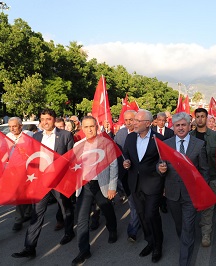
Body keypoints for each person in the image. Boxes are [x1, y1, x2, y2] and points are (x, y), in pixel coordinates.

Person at [12, 109, 75, 259]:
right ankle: (29, 247)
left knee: (65, 208)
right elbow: (32, 157)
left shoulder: (65, 135)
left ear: (54, 119)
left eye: (48, 118)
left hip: (59, 181)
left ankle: (69, 232)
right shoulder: (36, 136)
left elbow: (71, 158)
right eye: (42, 119)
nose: (45, 122)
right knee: (37, 213)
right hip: (41, 182)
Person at [158, 112, 209, 266]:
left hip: (191, 194)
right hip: (172, 194)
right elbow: (159, 164)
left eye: (183, 125)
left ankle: (184, 261)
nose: (180, 128)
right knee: (180, 226)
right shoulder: (166, 144)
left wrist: (202, 191)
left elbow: (204, 170)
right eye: (177, 125)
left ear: (189, 126)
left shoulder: (199, 145)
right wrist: (160, 169)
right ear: (173, 127)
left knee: (187, 227)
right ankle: (185, 241)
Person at [71, 116, 118, 266]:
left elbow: (113, 165)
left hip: (101, 183)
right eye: (86, 127)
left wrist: (112, 186)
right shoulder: (77, 145)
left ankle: (112, 230)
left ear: (96, 127)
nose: (89, 129)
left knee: (107, 209)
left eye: (92, 126)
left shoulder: (106, 143)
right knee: (82, 218)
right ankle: (83, 250)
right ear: (82, 129)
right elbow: (74, 167)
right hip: (84, 186)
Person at [123, 109, 165, 263]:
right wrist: (126, 162)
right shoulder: (129, 138)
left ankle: (158, 246)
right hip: (135, 184)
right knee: (141, 215)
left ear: (147, 124)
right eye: (133, 120)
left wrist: (161, 169)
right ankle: (150, 242)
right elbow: (126, 155)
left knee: (151, 215)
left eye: (136, 121)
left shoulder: (158, 139)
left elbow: (163, 160)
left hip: (153, 184)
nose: (133, 123)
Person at [190, 108, 216, 247]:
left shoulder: (215, 136)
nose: (200, 119)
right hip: (193, 179)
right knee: (193, 207)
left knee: (209, 207)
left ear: (207, 118)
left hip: (211, 177)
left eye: (203, 116)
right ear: (194, 118)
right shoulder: (189, 136)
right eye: (198, 116)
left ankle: (206, 233)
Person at [113, 110, 141, 242]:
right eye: (126, 120)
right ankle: (134, 229)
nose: (129, 122)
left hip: (142, 177)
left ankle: (135, 227)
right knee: (132, 203)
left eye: (131, 119)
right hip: (126, 177)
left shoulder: (143, 132)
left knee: (142, 204)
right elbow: (116, 153)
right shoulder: (120, 134)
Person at [6, 117, 33, 231]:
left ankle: (23, 216)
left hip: (28, 169)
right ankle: (22, 216)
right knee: (19, 194)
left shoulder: (29, 135)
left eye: (14, 126)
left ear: (21, 126)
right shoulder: (7, 137)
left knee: (25, 193)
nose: (12, 129)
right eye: (10, 126)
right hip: (13, 170)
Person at [152, 112, 174, 214]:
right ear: (156, 120)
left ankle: (165, 203)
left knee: (166, 183)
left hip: (167, 160)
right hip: (155, 161)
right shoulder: (151, 132)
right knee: (157, 184)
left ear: (166, 121)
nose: (161, 122)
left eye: (163, 120)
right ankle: (160, 203)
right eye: (159, 120)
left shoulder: (170, 132)